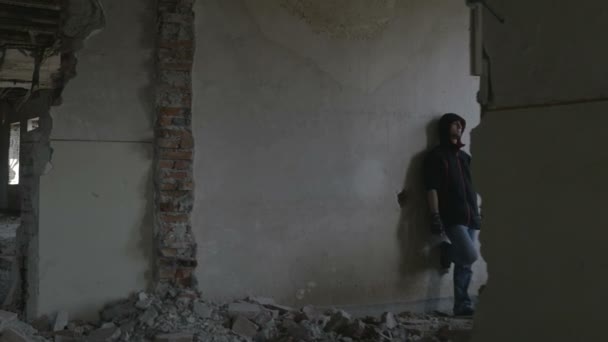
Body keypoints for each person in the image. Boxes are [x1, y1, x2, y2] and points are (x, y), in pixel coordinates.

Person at [424, 113, 481, 316]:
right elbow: (431, 187)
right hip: (452, 216)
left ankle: (462, 304)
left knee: (465, 264)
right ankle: (448, 251)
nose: (459, 126)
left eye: (461, 124)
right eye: (455, 123)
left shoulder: (466, 158)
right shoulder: (436, 156)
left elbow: (476, 184)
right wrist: (435, 215)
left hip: (471, 215)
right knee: (469, 256)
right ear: (445, 127)